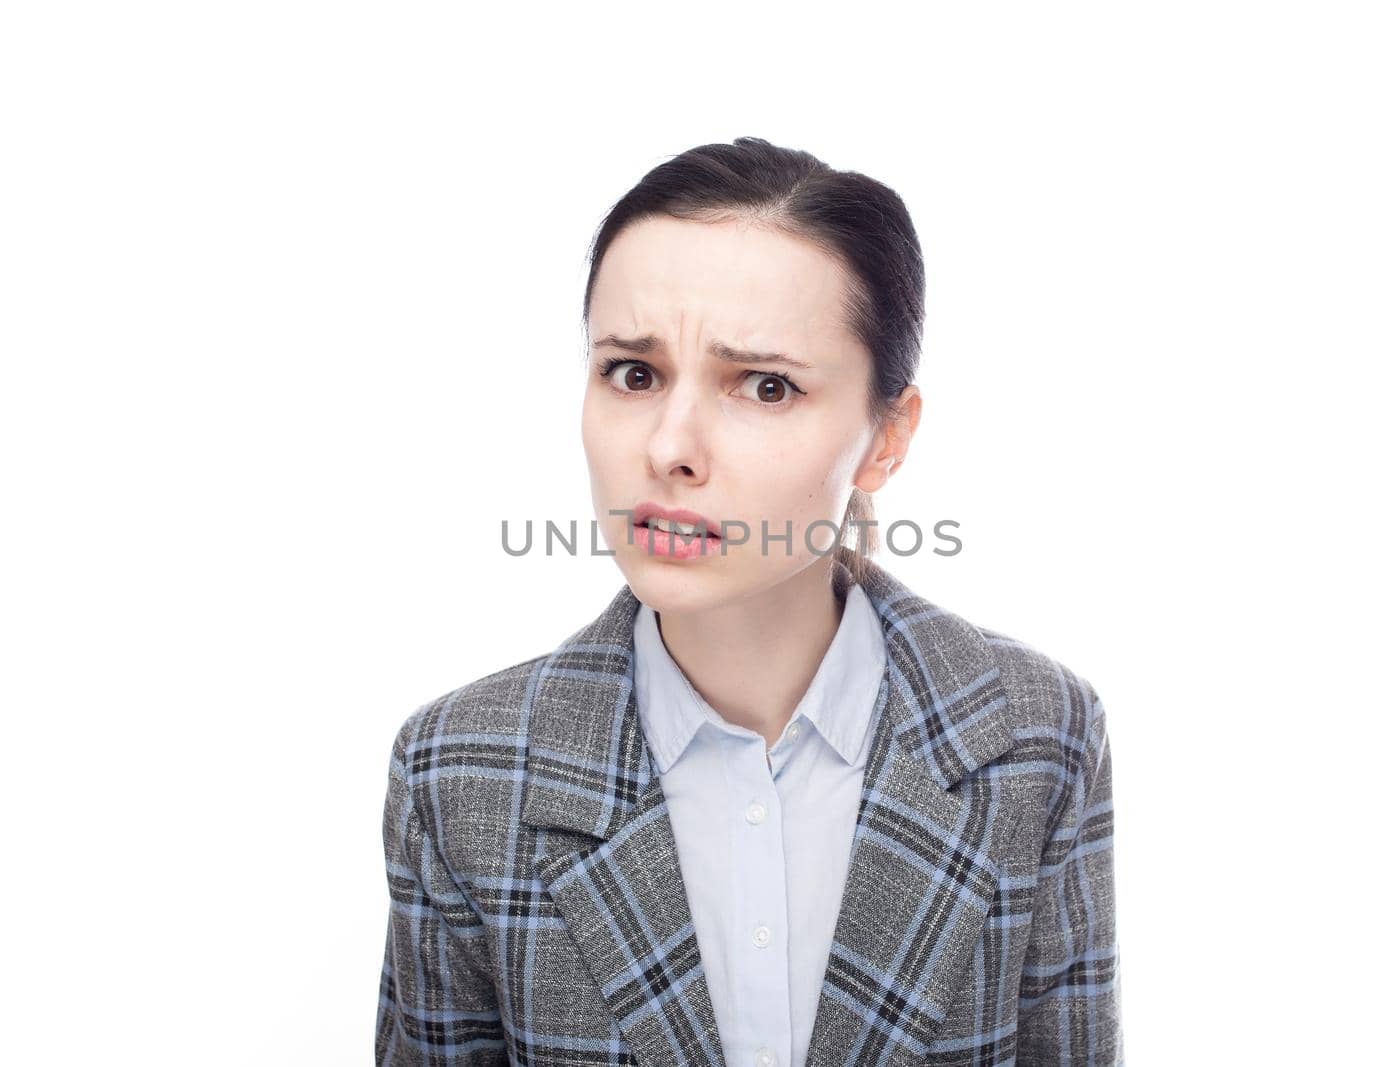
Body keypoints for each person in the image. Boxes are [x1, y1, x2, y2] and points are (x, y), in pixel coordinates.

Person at [376, 136, 1122, 1066]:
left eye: (764, 385)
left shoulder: (1036, 735)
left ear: (886, 438)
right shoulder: (459, 772)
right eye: (632, 373)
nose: (670, 448)